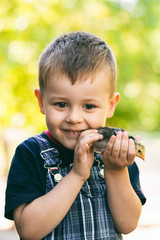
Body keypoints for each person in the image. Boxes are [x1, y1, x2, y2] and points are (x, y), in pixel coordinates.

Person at [5, 31, 146, 240]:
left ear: (110, 106)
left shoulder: (115, 153)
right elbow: (28, 231)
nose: (74, 117)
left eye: (89, 106)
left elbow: (127, 224)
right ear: (42, 101)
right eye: (61, 104)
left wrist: (116, 172)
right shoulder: (31, 153)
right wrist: (77, 175)